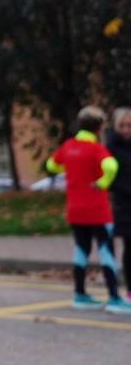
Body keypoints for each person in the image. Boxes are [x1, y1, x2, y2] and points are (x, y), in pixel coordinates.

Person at [46, 106, 128, 313]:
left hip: (75, 209)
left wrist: (70, 168)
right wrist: (102, 183)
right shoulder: (96, 149)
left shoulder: (68, 146)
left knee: (81, 250)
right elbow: (111, 166)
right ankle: (115, 298)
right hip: (98, 210)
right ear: (100, 128)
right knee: (106, 251)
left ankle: (80, 294)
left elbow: (51, 165)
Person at [106, 107, 131, 289]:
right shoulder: (110, 148)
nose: (125, 130)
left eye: (129, 125)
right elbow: (110, 180)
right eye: (121, 125)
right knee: (130, 248)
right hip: (125, 205)